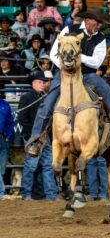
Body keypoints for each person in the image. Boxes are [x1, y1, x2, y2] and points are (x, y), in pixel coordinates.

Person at [25, 8, 110, 157]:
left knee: (109, 93)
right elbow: (53, 54)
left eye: (100, 23)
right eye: (97, 22)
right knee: (48, 102)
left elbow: (96, 62)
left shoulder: (100, 38)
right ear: (88, 21)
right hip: (64, 73)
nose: (99, 26)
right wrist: (65, 65)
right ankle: (36, 140)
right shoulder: (69, 29)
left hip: (87, 74)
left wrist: (77, 57)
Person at [18, 70, 58, 200]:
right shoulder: (27, 97)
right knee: (33, 165)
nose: (43, 84)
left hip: (43, 136)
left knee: (46, 165)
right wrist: (34, 132)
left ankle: (50, 194)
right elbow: (22, 118)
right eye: (40, 82)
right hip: (34, 137)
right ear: (34, 83)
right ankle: (28, 194)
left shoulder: (44, 97)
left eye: (44, 82)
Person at [0, 93, 14, 200]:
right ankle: (1, 192)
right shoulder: (4, 105)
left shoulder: (4, 105)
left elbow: (10, 122)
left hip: (2, 139)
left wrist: (7, 136)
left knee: (2, 168)